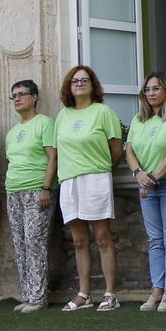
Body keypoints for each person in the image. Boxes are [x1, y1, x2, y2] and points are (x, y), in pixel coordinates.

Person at [55, 65, 124, 313]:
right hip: (69, 181)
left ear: (93, 85)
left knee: (103, 238)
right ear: (69, 86)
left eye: (85, 80)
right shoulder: (63, 116)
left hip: (95, 178)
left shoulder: (103, 112)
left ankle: (110, 294)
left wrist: (102, 168)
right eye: (75, 80)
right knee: (79, 241)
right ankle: (84, 294)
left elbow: (117, 149)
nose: (80, 84)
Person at [125, 72, 166, 312]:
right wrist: (138, 174)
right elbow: (129, 151)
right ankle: (156, 290)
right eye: (147, 89)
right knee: (155, 240)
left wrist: (153, 178)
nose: (151, 93)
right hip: (146, 185)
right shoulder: (138, 119)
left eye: (156, 88)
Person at [4, 79, 56, 314]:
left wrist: (46, 188)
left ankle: (39, 296)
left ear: (34, 97)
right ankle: (27, 293)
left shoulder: (44, 123)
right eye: (14, 95)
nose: (17, 98)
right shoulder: (12, 131)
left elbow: (52, 157)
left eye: (22, 94)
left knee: (35, 242)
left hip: (37, 190)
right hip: (13, 191)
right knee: (20, 243)